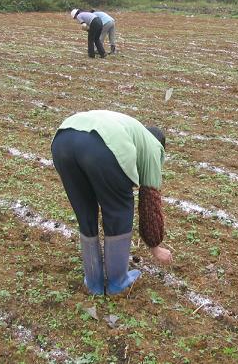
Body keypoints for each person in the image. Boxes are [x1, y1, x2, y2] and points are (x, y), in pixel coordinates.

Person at [51, 110, 172, 296]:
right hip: (101, 147)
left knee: (85, 211)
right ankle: (118, 282)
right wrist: (155, 247)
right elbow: (150, 202)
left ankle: (93, 283)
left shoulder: (131, 129)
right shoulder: (154, 147)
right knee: (119, 209)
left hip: (63, 140)